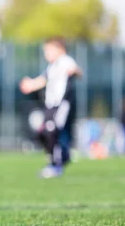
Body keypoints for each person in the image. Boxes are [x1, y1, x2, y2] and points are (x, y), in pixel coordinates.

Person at [20, 37, 82, 178]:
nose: (46, 54)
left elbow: (76, 70)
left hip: (61, 104)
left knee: (51, 131)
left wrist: (74, 72)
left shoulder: (65, 61)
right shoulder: (52, 67)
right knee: (42, 133)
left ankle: (56, 164)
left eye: (48, 50)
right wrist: (30, 85)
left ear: (60, 49)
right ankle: (61, 156)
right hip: (50, 105)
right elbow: (43, 80)